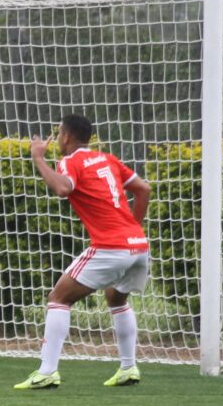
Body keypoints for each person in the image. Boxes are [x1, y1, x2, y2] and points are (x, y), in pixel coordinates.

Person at [14, 115, 151, 390]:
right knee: (115, 297)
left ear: (66, 136)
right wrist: (133, 227)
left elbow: (63, 188)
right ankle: (128, 367)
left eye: (59, 134)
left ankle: (47, 371)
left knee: (59, 298)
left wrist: (38, 158)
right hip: (138, 246)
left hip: (111, 247)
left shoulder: (71, 161)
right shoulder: (107, 159)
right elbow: (143, 189)